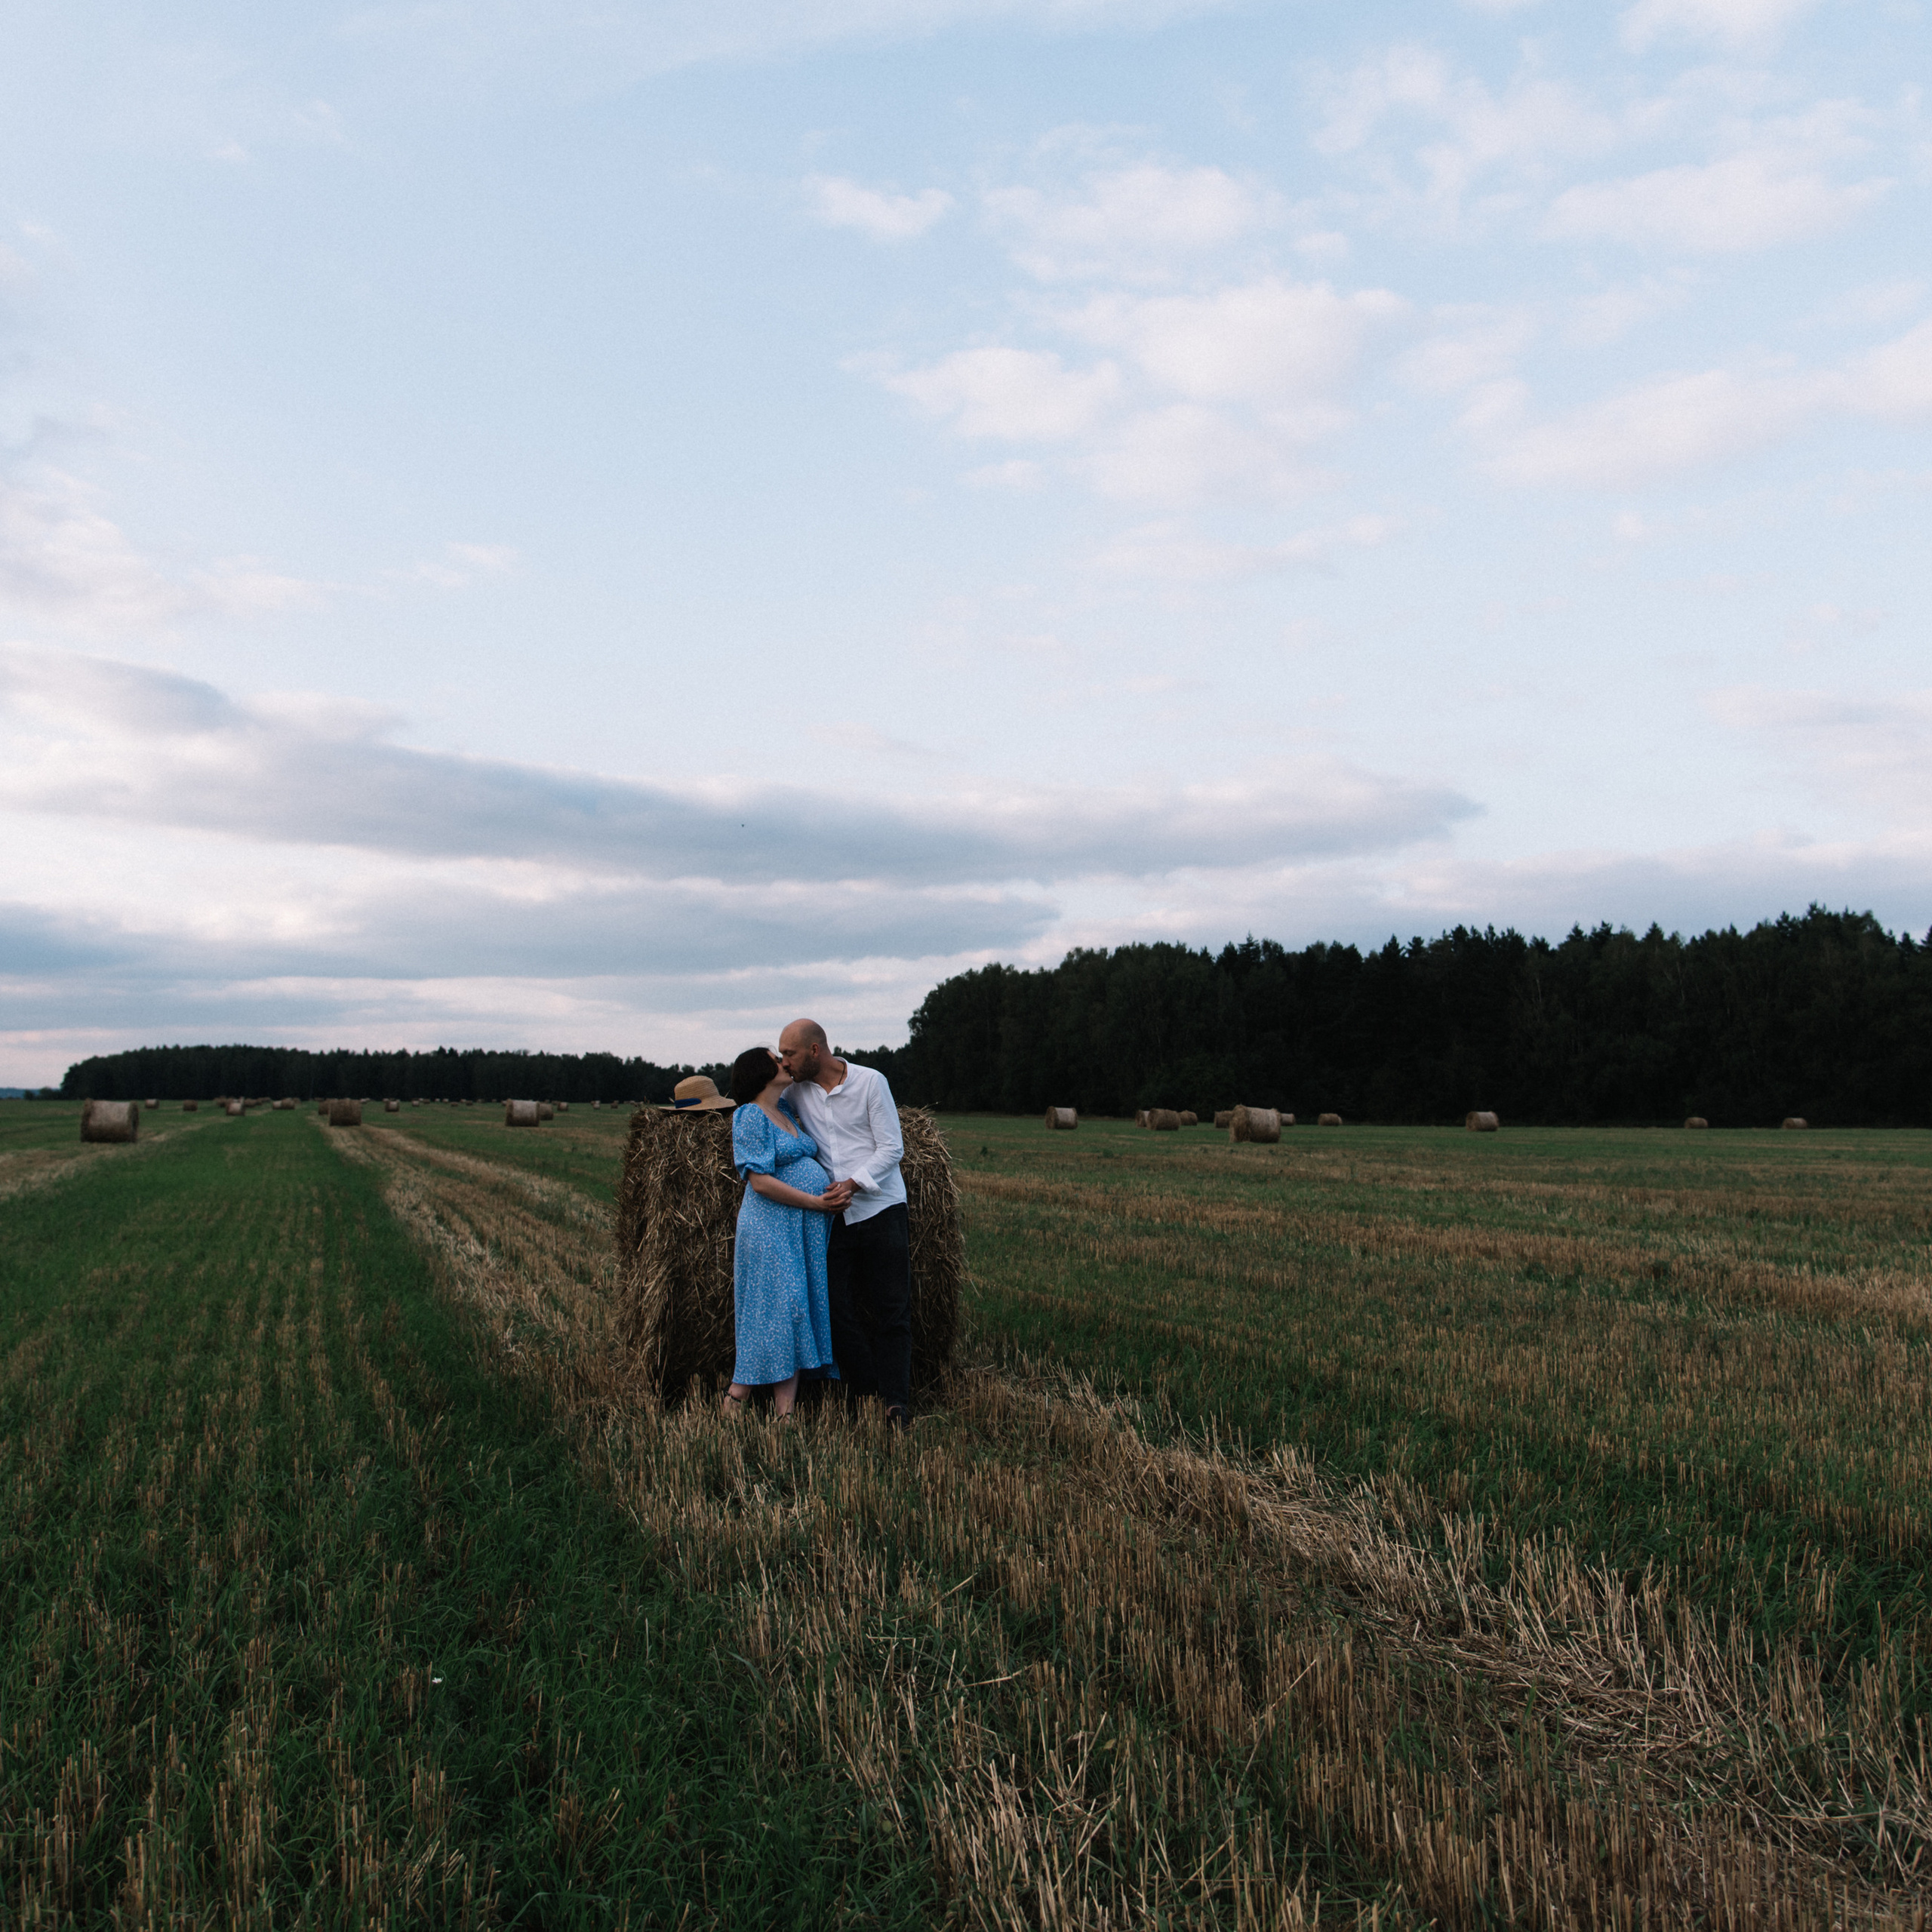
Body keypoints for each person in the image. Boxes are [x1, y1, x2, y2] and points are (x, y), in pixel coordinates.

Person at [777, 1019, 911, 1429]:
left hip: (881, 1208)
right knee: (836, 1308)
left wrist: (853, 1184)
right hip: (833, 1218)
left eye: (790, 1054)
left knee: (892, 1308)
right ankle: (868, 1390)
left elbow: (893, 1147)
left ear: (815, 1051)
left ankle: (895, 1402)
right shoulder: (795, 1092)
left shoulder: (871, 1083)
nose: (785, 1062)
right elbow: (758, 1105)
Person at [722, 1046, 842, 1419]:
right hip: (769, 1225)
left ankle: (784, 1415)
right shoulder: (749, 1116)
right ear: (761, 1072)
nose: (785, 1063)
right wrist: (816, 1203)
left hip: (800, 1228)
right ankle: (735, 1399)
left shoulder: (786, 1110)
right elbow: (760, 1183)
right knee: (781, 1310)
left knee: (795, 1311)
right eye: (777, 1060)